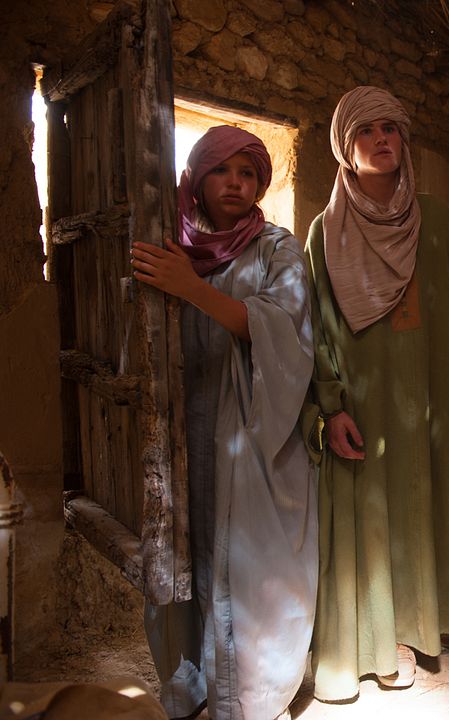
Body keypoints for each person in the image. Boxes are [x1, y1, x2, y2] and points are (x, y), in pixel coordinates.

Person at [304, 86, 449, 703]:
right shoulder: (325, 234)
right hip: (368, 408)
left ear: (404, 141)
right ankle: (384, 644)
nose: (381, 141)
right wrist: (332, 404)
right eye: (366, 131)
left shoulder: (438, 218)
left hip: (441, 394)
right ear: (345, 148)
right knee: (379, 519)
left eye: (390, 130)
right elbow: (318, 325)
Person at [132, 126, 316, 720]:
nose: (235, 183)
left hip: (251, 429)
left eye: (247, 172)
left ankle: (250, 693)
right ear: (196, 179)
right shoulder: (171, 246)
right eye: (221, 171)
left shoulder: (277, 248)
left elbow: (283, 329)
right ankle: (190, 679)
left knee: (249, 560)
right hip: (188, 426)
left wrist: (190, 288)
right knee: (189, 549)